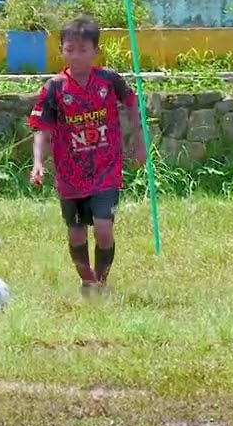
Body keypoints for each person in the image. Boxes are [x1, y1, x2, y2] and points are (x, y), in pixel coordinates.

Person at [28, 16, 146, 295]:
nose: (76, 56)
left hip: (106, 169)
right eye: (70, 50)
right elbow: (41, 130)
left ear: (95, 51)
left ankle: (101, 282)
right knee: (76, 232)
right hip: (70, 174)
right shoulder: (54, 89)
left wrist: (139, 142)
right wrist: (37, 163)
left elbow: (132, 105)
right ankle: (86, 279)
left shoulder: (109, 81)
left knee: (104, 229)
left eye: (83, 50)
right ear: (61, 51)